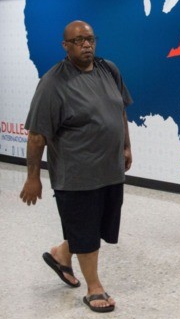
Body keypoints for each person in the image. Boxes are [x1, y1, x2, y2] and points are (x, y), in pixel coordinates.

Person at [19, 20, 132, 314]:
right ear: (65, 46)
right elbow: (36, 135)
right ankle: (94, 287)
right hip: (77, 174)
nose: (86, 44)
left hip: (110, 169)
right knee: (85, 227)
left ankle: (61, 254)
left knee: (96, 226)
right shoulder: (53, 83)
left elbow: (119, 108)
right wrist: (33, 177)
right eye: (79, 40)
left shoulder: (109, 70)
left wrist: (126, 145)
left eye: (90, 39)